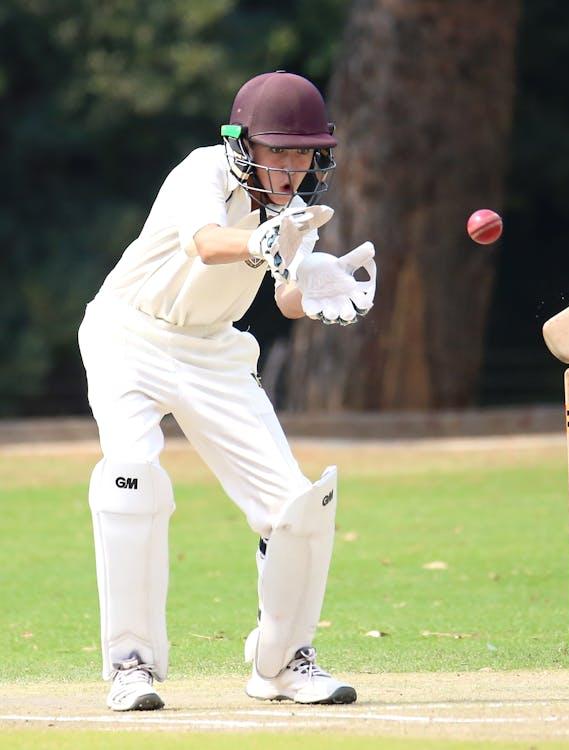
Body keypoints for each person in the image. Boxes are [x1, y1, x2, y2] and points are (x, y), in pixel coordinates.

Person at [78, 70, 377, 711]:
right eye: (280, 150)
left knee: (296, 507)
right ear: (244, 144)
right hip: (128, 335)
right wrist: (262, 240)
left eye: (305, 152)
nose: (293, 167)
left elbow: (288, 296)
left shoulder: (296, 211)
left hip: (213, 351)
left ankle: (283, 663)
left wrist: (322, 285)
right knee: (131, 479)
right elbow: (208, 245)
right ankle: (130, 666)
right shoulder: (201, 172)